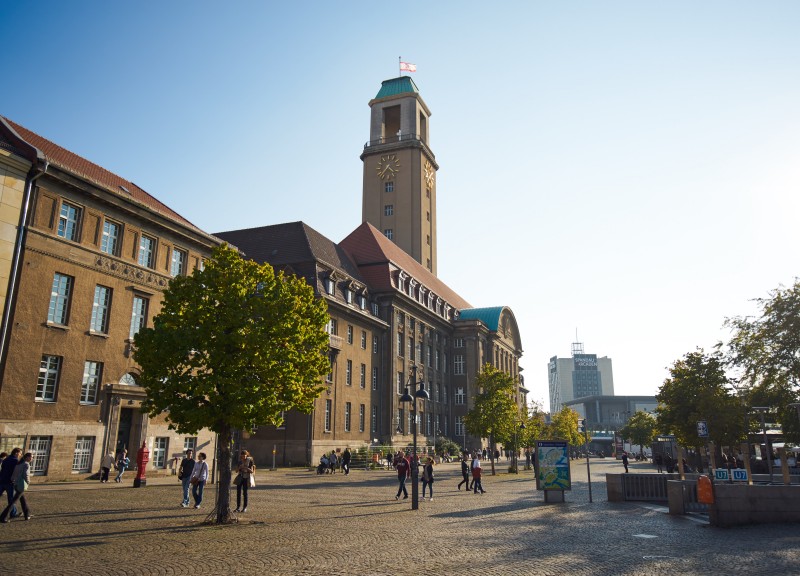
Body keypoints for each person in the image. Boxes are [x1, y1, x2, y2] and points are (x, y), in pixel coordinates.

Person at [0, 452, 33, 522]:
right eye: (31, 457)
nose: (32, 459)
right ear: (27, 457)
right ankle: (3, 516)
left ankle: (27, 514)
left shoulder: (18, 463)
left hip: (16, 484)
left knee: (23, 499)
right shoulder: (26, 464)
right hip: (22, 485)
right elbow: (26, 475)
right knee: (13, 502)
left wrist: (13, 481)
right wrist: (28, 483)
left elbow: (14, 474)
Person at [0, 449, 21, 519]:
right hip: (10, 482)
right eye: (20, 453)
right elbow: (17, 472)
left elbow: (2, 469)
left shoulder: (6, 459)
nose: (20, 455)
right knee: (11, 499)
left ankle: (13, 512)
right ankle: (13, 513)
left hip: (2, 480)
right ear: (16, 453)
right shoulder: (15, 461)